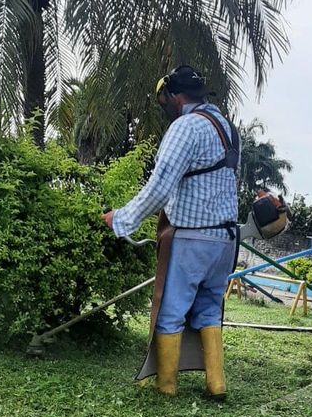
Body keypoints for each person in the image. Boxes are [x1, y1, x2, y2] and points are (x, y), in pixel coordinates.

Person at [102, 65, 240, 399]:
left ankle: (166, 387)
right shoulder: (227, 127)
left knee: (170, 311)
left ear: (175, 97)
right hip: (225, 239)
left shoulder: (186, 127)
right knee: (209, 309)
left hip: (192, 237)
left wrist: (121, 219)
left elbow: (160, 187)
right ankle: (216, 384)